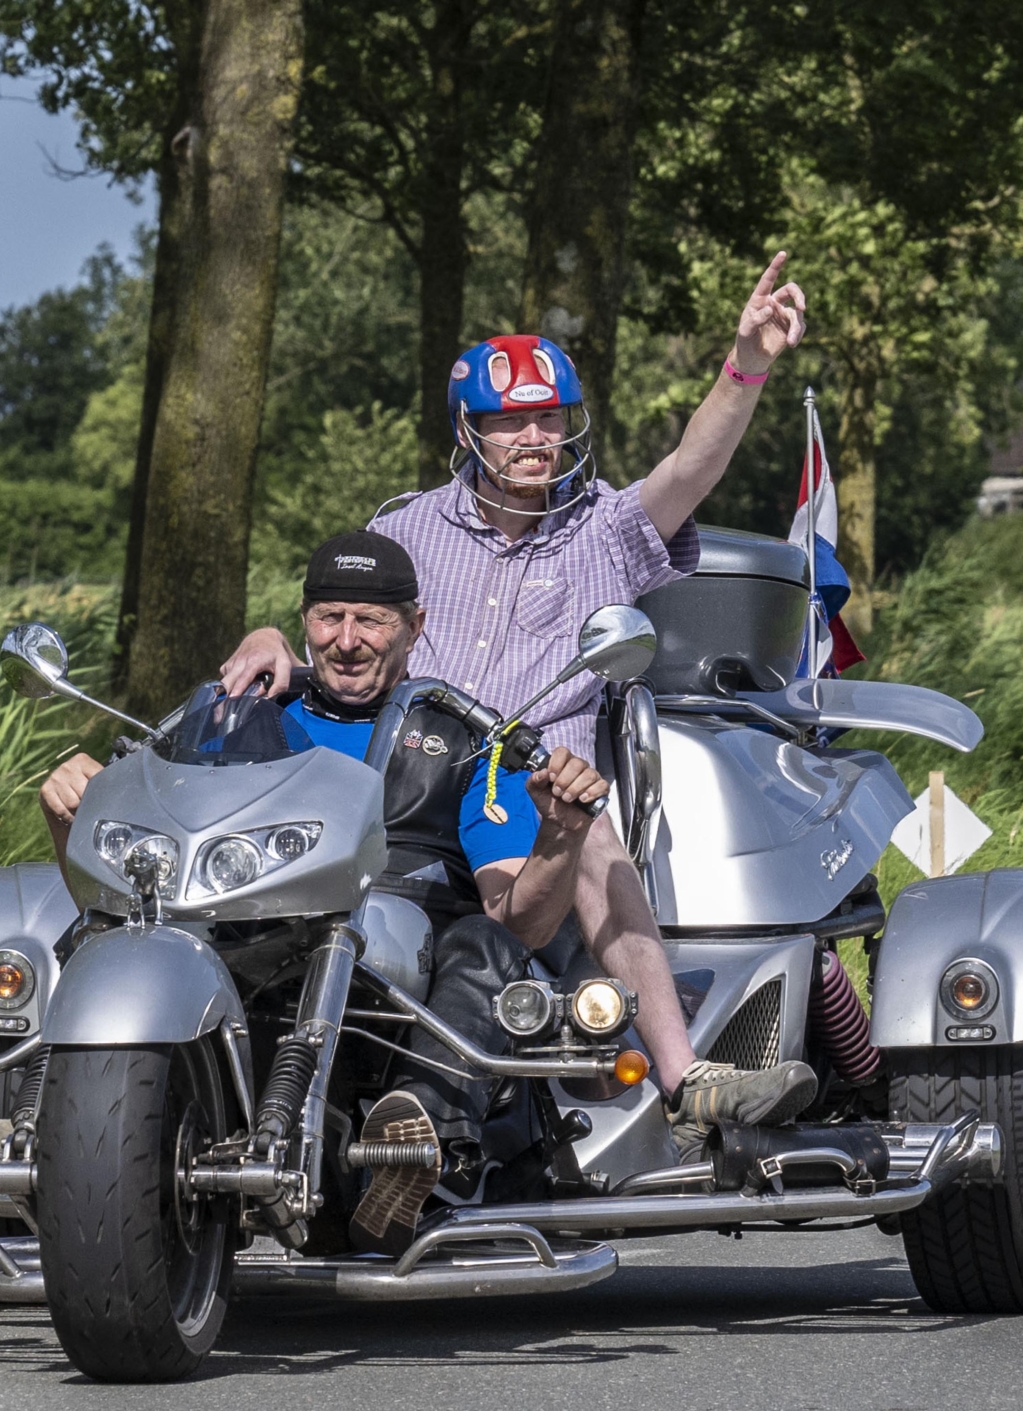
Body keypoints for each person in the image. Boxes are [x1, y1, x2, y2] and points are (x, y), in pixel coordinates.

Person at [39, 531, 821, 1253]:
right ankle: (51, 1121)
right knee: (118, 939)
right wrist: (75, 811)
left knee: (485, 945)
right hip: (247, 934)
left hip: (406, 949)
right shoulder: (240, 719)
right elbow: (127, 876)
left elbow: (521, 912)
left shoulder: (460, 738)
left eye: (371, 620)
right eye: (329, 616)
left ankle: (412, 1142)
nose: (347, 639)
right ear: (303, 621)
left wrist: (558, 836)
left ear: (415, 626)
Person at [211, 255, 819, 1143]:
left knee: (593, 831)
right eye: (512, 423)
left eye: (549, 420)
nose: (535, 439)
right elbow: (353, 634)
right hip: (407, 768)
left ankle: (685, 1079)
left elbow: (692, 466)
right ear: (468, 431)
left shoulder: (609, 527)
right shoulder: (404, 526)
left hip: (535, 780)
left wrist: (747, 361)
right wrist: (274, 639)